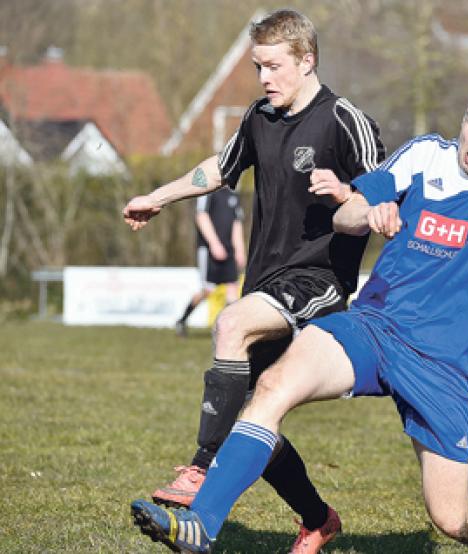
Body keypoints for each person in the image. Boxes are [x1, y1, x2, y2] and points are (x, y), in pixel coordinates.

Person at [130, 78, 468, 554]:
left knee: (454, 520)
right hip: (374, 327)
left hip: (442, 363)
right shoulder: (424, 155)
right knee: (272, 383)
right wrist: (368, 209)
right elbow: (347, 212)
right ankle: (201, 524)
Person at [122, 8, 384, 553]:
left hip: (319, 280)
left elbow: (387, 193)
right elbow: (219, 168)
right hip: (266, 279)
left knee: (231, 324)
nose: (264, 78)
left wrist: (352, 197)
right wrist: (159, 198)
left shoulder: (343, 119)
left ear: (306, 60)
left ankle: (200, 468)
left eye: (272, 66)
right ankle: (318, 519)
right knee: (254, 420)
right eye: (257, 67)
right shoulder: (259, 117)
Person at [175, 186, 246, 337]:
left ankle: (229, 330)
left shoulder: (233, 194)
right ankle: (182, 320)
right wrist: (214, 243)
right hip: (209, 249)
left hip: (229, 249)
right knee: (208, 290)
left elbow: (236, 223)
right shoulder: (209, 191)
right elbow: (201, 216)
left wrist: (239, 249)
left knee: (232, 287)